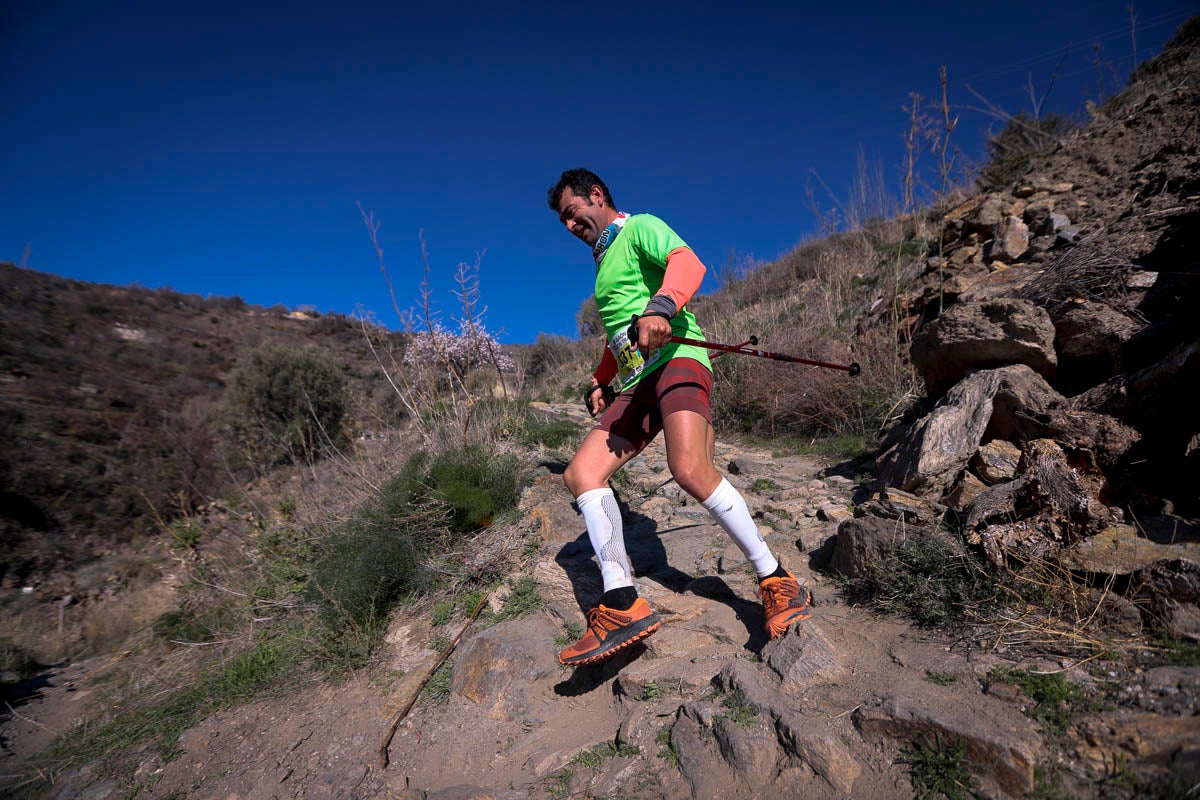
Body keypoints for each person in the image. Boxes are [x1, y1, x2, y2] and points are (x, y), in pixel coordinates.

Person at [547, 168, 811, 667]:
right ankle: (623, 604)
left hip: (680, 362)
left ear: (595, 196)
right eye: (562, 220)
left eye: (571, 212)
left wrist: (662, 306)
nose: (568, 225)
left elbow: (687, 262)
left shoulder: (639, 226)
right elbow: (619, 334)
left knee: (689, 469)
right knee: (581, 474)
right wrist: (601, 380)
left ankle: (777, 579)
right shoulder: (603, 268)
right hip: (635, 382)